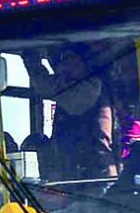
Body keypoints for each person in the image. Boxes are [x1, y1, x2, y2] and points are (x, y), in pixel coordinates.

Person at [21, 44, 118, 181]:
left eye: (69, 58)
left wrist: (30, 56)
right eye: (61, 60)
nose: (64, 65)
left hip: (96, 178)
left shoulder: (89, 88)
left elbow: (47, 86)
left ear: (84, 62)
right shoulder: (75, 85)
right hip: (75, 177)